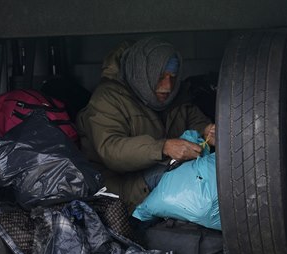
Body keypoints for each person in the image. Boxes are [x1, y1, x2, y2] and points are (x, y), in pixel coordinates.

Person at [76, 37, 215, 212]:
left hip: (159, 171)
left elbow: (193, 119)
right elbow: (111, 150)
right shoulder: (108, 98)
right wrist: (163, 147)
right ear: (142, 74)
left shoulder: (175, 96)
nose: (167, 86)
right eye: (160, 77)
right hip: (118, 189)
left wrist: (206, 131)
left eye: (172, 77)